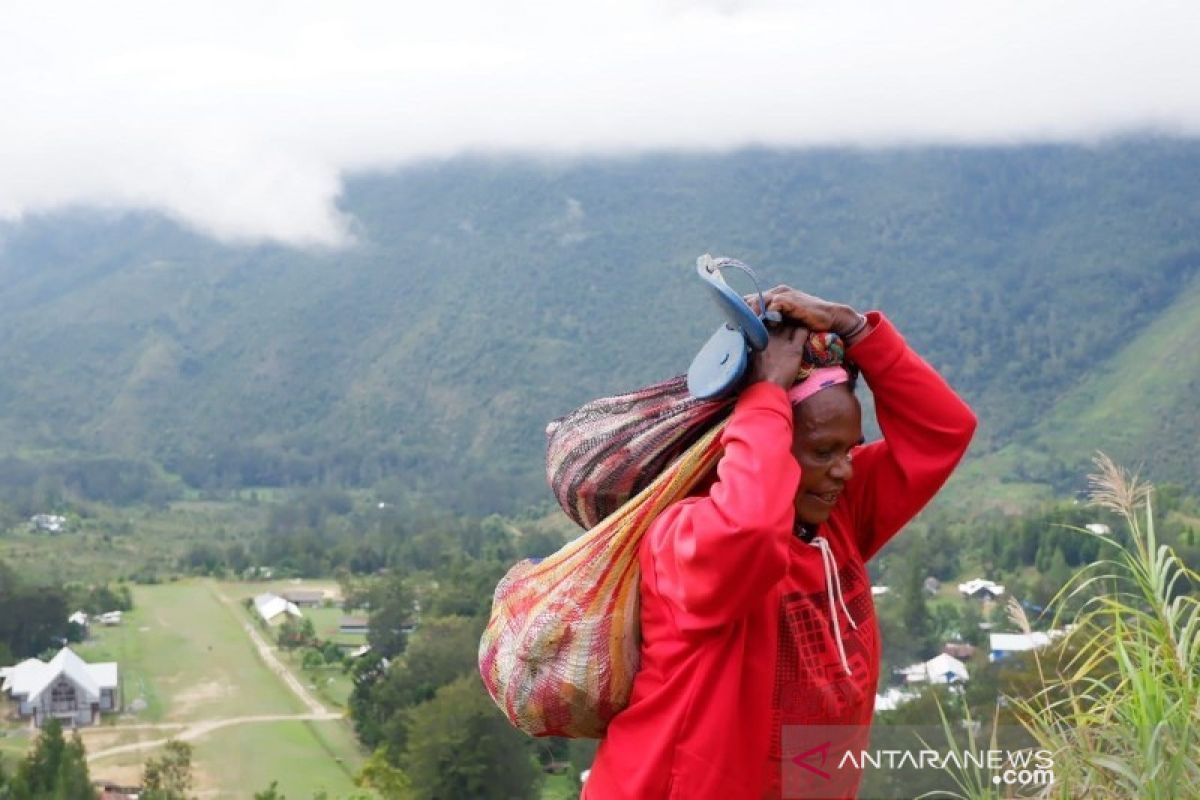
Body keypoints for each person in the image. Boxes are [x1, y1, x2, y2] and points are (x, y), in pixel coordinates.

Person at [581, 287, 977, 799]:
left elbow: (944, 431)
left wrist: (856, 329)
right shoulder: (684, 539)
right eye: (821, 451)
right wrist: (767, 392)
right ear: (756, 440)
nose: (844, 469)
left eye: (851, 448)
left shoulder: (835, 519)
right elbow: (750, 532)